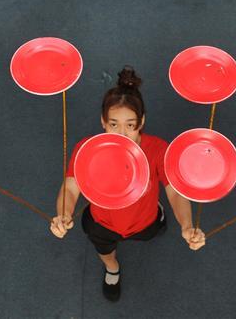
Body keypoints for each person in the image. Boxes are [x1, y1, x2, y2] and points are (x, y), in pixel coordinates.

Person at [49, 66, 205, 302]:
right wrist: (64, 213)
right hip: (101, 222)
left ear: (141, 121)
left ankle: (157, 218)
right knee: (105, 250)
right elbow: (71, 187)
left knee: (153, 230)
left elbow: (174, 191)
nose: (121, 133)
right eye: (114, 124)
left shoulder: (158, 148)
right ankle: (113, 270)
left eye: (130, 125)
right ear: (103, 121)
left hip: (146, 221)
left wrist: (186, 224)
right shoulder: (86, 149)